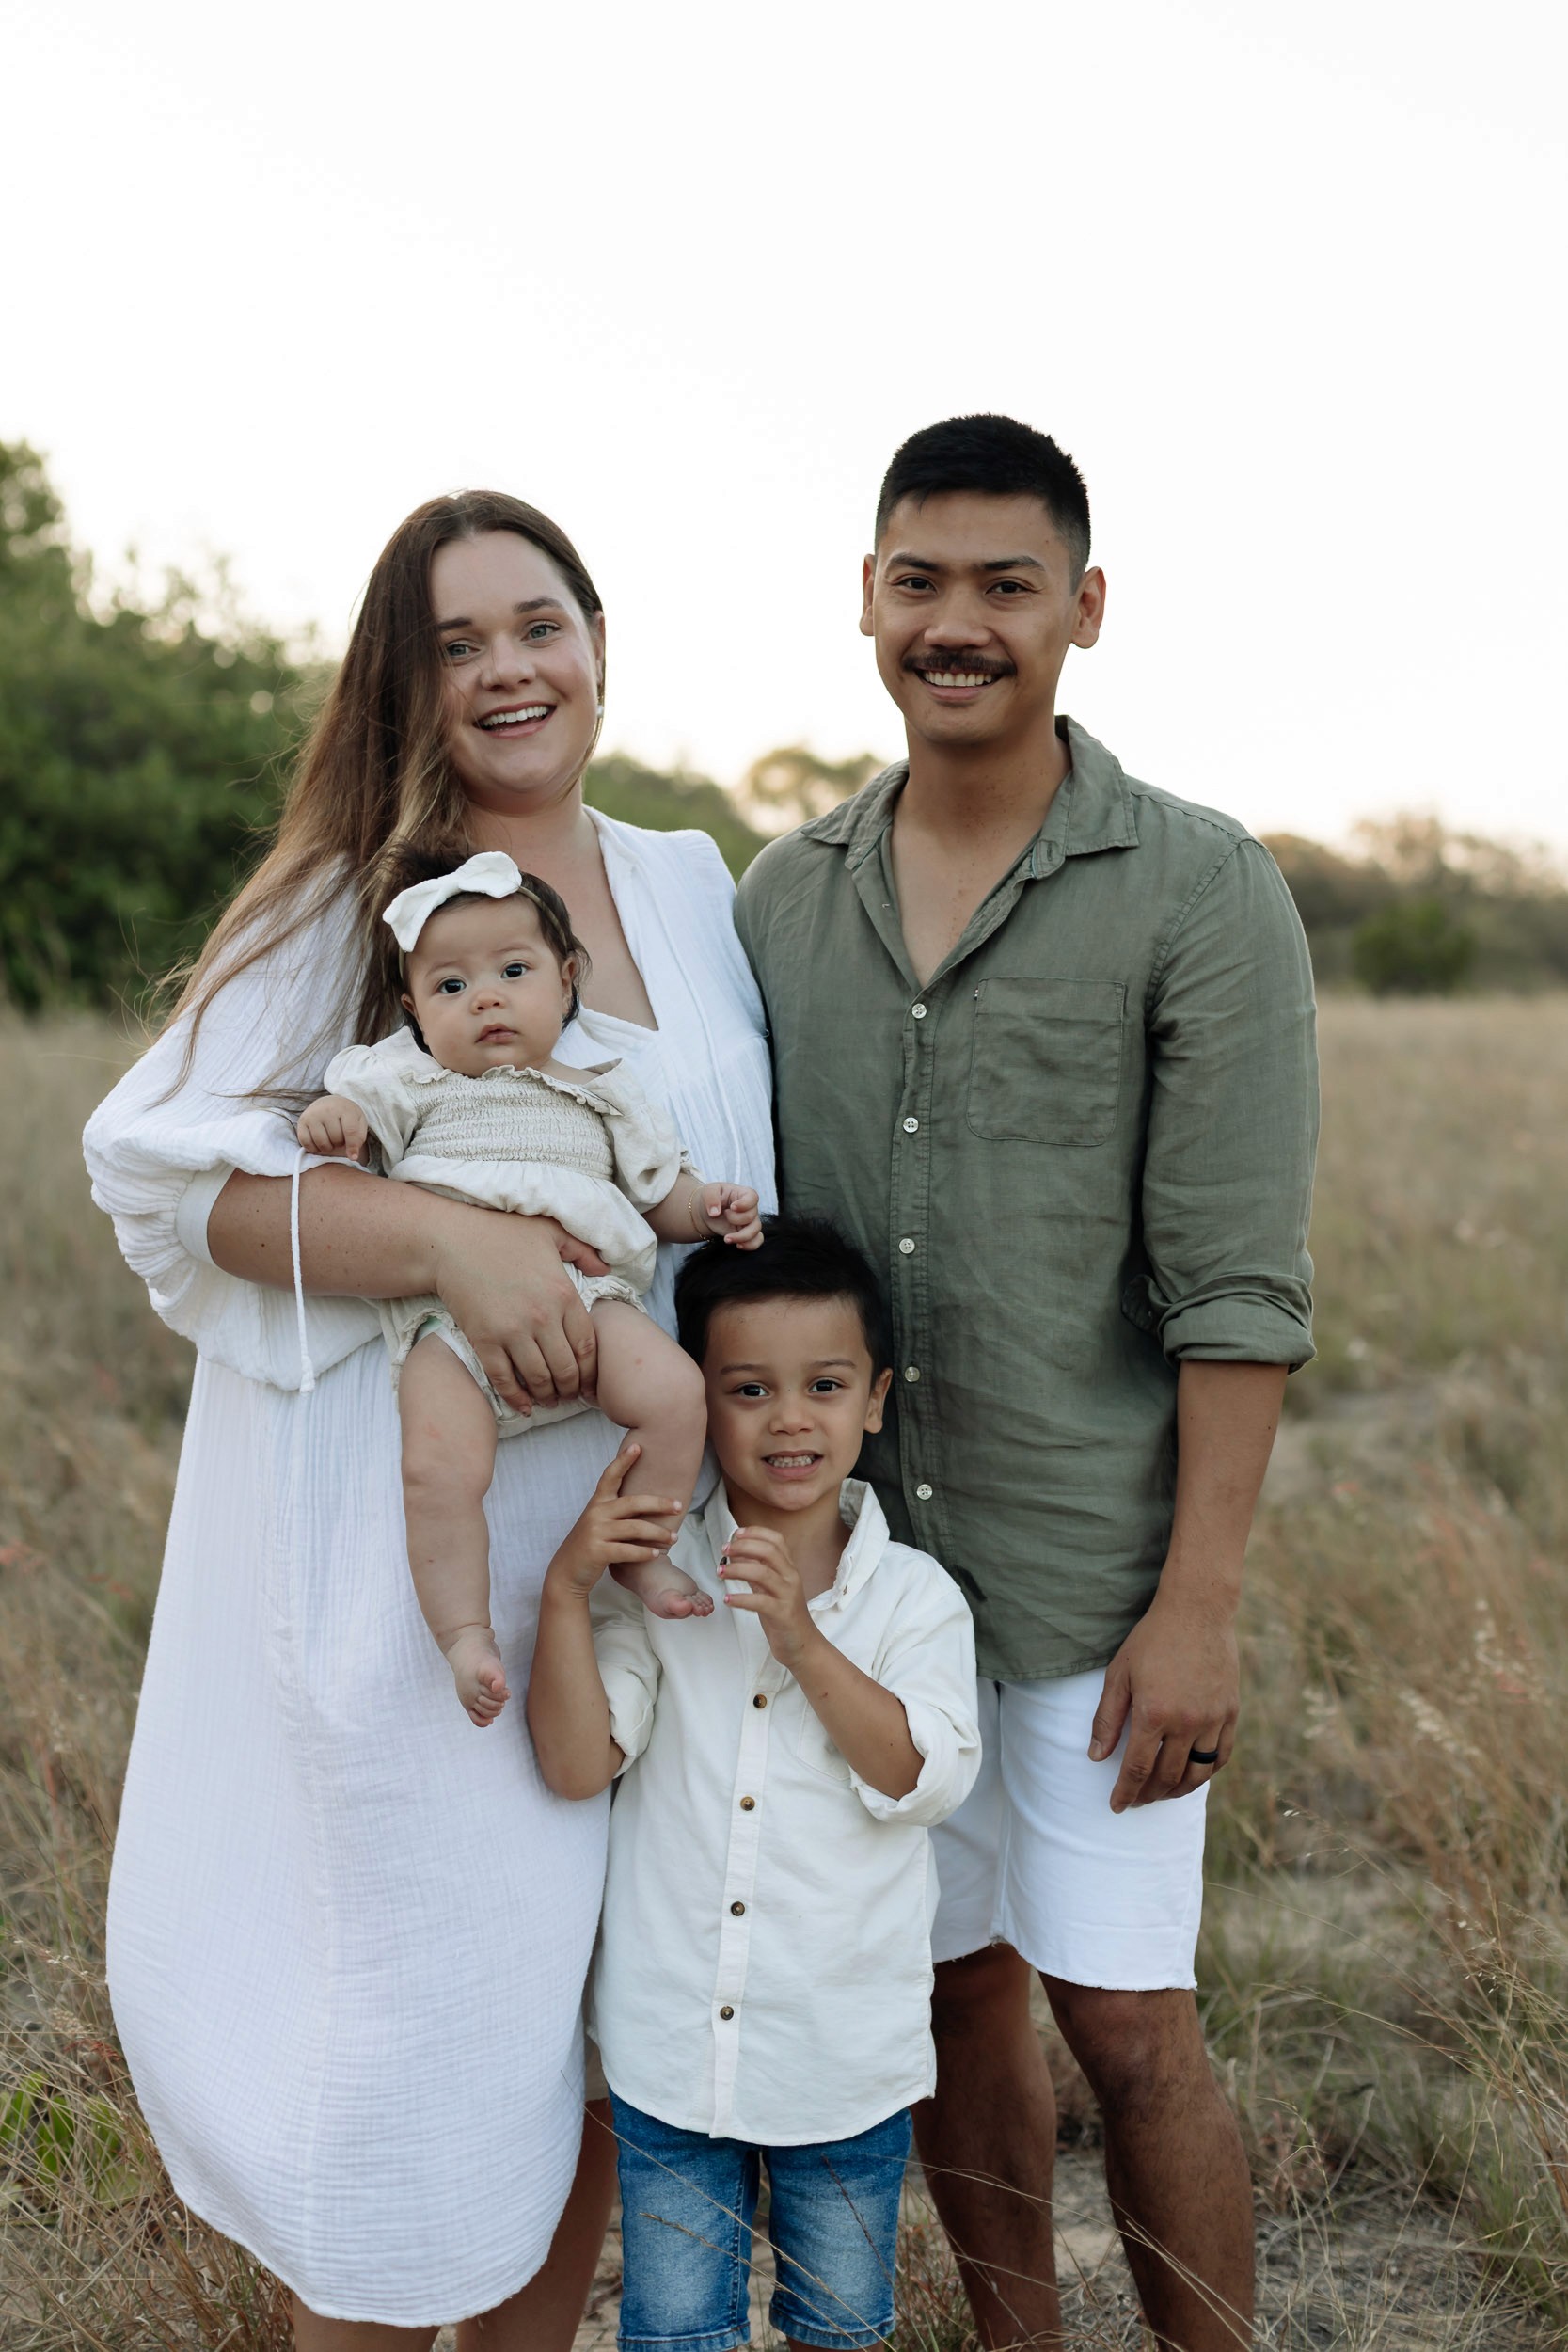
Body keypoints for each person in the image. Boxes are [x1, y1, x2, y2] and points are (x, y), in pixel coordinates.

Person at [83, 492, 775, 2349]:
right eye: (456, 642)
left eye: (535, 622)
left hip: (652, 1566)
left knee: (592, 2069)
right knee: (411, 2077)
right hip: (424, 1591)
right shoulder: (356, 907)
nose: (506, 669)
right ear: (406, 682)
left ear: (599, 639)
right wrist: (454, 1244)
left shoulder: (692, 876)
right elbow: (172, 1187)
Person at [733, 415, 1319, 2352]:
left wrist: (1198, 1606)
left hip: (1092, 1582)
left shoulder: (1193, 887)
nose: (954, 622)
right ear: (865, 602)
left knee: (1127, 2019)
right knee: (949, 1992)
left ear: (1081, 606)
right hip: (877, 1574)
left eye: (1001, 584)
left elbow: (1234, 1283)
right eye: (918, 581)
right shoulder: (778, 900)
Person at [528, 1217, 980, 2352]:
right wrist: (566, 1591)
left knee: (841, 2327)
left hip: (841, 2057)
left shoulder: (913, 1598)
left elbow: (921, 1778)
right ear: (699, 1403)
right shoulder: (661, 1580)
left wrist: (803, 1641)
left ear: (874, 1400)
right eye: (747, 1388)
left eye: (823, 1385)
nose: (789, 1418)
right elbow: (580, 1763)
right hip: (671, 2049)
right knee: (674, 2330)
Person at [297, 850, 764, 1719]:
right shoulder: (410, 1078)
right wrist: (339, 1120)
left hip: (591, 1301)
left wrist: (712, 1209)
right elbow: (360, 1118)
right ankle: (463, 1631)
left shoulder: (601, 1092)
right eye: (449, 987)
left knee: (672, 1392)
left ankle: (642, 1549)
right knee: (437, 1469)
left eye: (514, 972)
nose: (485, 997)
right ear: (411, 1011)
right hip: (448, 1321)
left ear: (567, 979)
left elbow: (661, 1191)